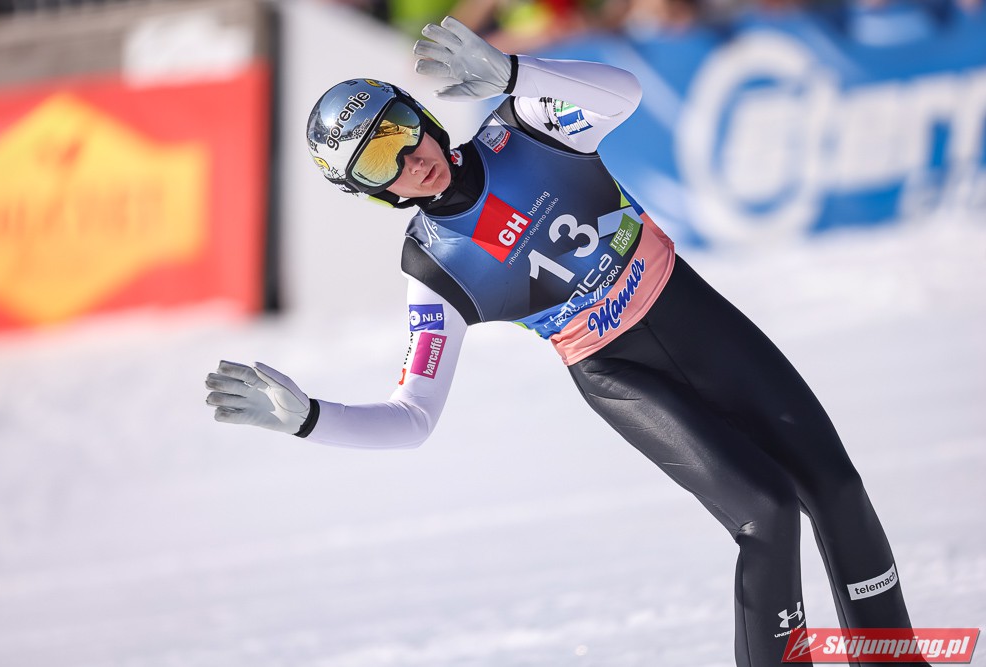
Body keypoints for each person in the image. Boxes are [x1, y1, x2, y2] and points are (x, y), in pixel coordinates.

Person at [205, 17, 927, 667]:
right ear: (372, 194)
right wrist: (309, 419)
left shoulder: (523, 125)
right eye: (377, 165)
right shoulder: (431, 265)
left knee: (836, 487)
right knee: (766, 513)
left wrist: (516, 73)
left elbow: (624, 94)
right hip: (621, 374)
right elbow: (413, 417)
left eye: (399, 131)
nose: (408, 160)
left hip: (692, 315)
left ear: (422, 116)